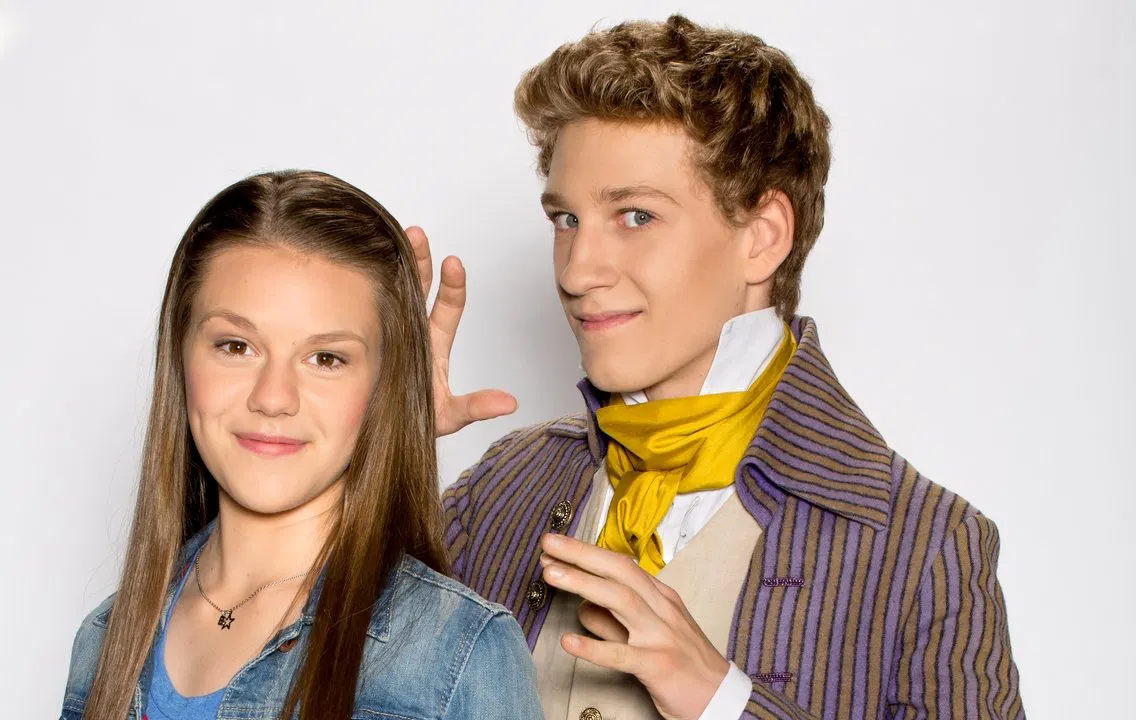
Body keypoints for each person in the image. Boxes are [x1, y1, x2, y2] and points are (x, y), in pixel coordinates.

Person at [418, 15, 1024, 720]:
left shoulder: (926, 546)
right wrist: (377, 449)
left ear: (762, 238)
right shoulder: (502, 484)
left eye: (635, 217)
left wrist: (723, 702)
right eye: (566, 220)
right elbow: (326, 674)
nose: (578, 272)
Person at [59, 170, 542, 720]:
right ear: (180, 356)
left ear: (383, 384)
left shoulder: (461, 657)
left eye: (326, 359)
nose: (272, 398)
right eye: (236, 346)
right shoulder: (104, 642)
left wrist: (398, 421)